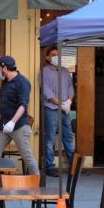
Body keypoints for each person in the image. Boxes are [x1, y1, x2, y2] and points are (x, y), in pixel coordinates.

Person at [0, 56, 39, 175]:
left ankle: (38, 183)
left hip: (19, 126)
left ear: (5, 68)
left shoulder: (23, 82)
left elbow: (23, 105)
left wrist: (12, 122)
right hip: (3, 126)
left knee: (27, 157)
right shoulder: (5, 82)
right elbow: (5, 105)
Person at [40, 46, 74, 178]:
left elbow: (71, 88)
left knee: (68, 137)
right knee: (50, 138)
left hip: (65, 110)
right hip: (51, 109)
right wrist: (61, 103)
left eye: (58, 55)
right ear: (47, 57)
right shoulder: (44, 71)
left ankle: (73, 166)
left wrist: (69, 102)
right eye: (54, 55)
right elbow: (47, 92)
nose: (56, 58)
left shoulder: (65, 71)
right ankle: (49, 167)